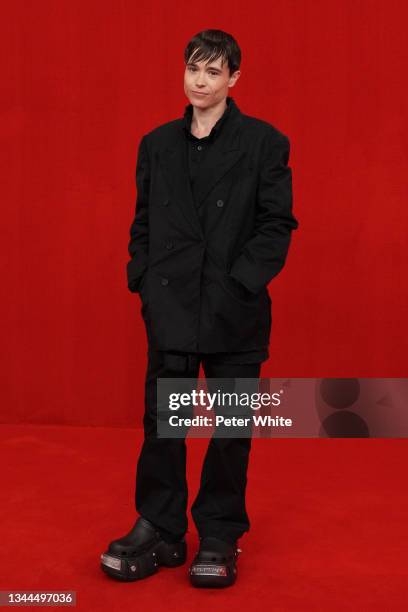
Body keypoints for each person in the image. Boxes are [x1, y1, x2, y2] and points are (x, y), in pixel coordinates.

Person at [100, 28, 299, 588]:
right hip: (171, 309)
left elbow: (276, 224)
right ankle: (160, 525)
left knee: (231, 429)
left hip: (234, 311)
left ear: (234, 79)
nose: (201, 80)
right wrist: (142, 277)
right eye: (194, 68)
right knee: (165, 425)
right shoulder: (156, 144)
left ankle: (218, 534)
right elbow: (143, 222)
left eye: (214, 71)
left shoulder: (264, 142)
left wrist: (240, 284)